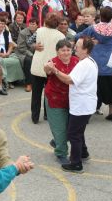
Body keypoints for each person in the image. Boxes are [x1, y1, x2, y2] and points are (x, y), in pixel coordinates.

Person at [47, 36, 98, 173]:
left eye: (77, 47)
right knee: (79, 131)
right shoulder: (90, 61)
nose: (74, 48)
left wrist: (56, 71)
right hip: (87, 104)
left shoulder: (83, 64)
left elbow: (69, 80)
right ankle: (83, 153)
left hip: (81, 105)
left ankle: (76, 163)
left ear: (85, 49)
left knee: (73, 134)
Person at [77, 7, 112, 121]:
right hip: (110, 62)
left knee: (92, 88)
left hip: (95, 60)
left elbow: (80, 36)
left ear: (100, 15)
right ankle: (111, 112)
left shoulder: (93, 28)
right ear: (111, 16)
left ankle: (88, 114)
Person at [43, 39, 79, 164]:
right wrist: (48, 67)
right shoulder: (52, 62)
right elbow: (47, 70)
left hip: (72, 100)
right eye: (62, 50)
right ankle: (61, 153)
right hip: (55, 99)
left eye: (68, 50)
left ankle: (57, 141)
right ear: (57, 51)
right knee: (60, 128)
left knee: (72, 128)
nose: (66, 52)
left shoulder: (76, 60)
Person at [30, 13, 65, 123]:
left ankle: (35, 118)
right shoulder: (61, 36)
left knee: (36, 93)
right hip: (52, 67)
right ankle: (47, 115)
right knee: (49, 93)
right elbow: (62, 52)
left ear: (46, 21)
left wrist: (34, 46)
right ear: (58, 23)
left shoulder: (39, 31)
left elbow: (28, 42)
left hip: (38, 65)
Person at [0, 16, 25, 89]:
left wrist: (7, 53)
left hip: (6, 53)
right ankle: (5, 81)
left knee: (16, 61)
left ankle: (12, 80)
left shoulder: (7, 33)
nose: (1, 25)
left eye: (3, 23)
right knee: (2, 62)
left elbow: (11, 44)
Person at [14, 18, 38, 92]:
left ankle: (39, 82)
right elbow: (21, 47)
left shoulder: (39, 32)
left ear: (37, 25)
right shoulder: (23, 33)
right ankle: (29, 83)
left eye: (33, 24)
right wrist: (31, 55)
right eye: (30, 24)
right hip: (22, 53)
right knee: (28, 60)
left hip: (36, 52)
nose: (31, 25)